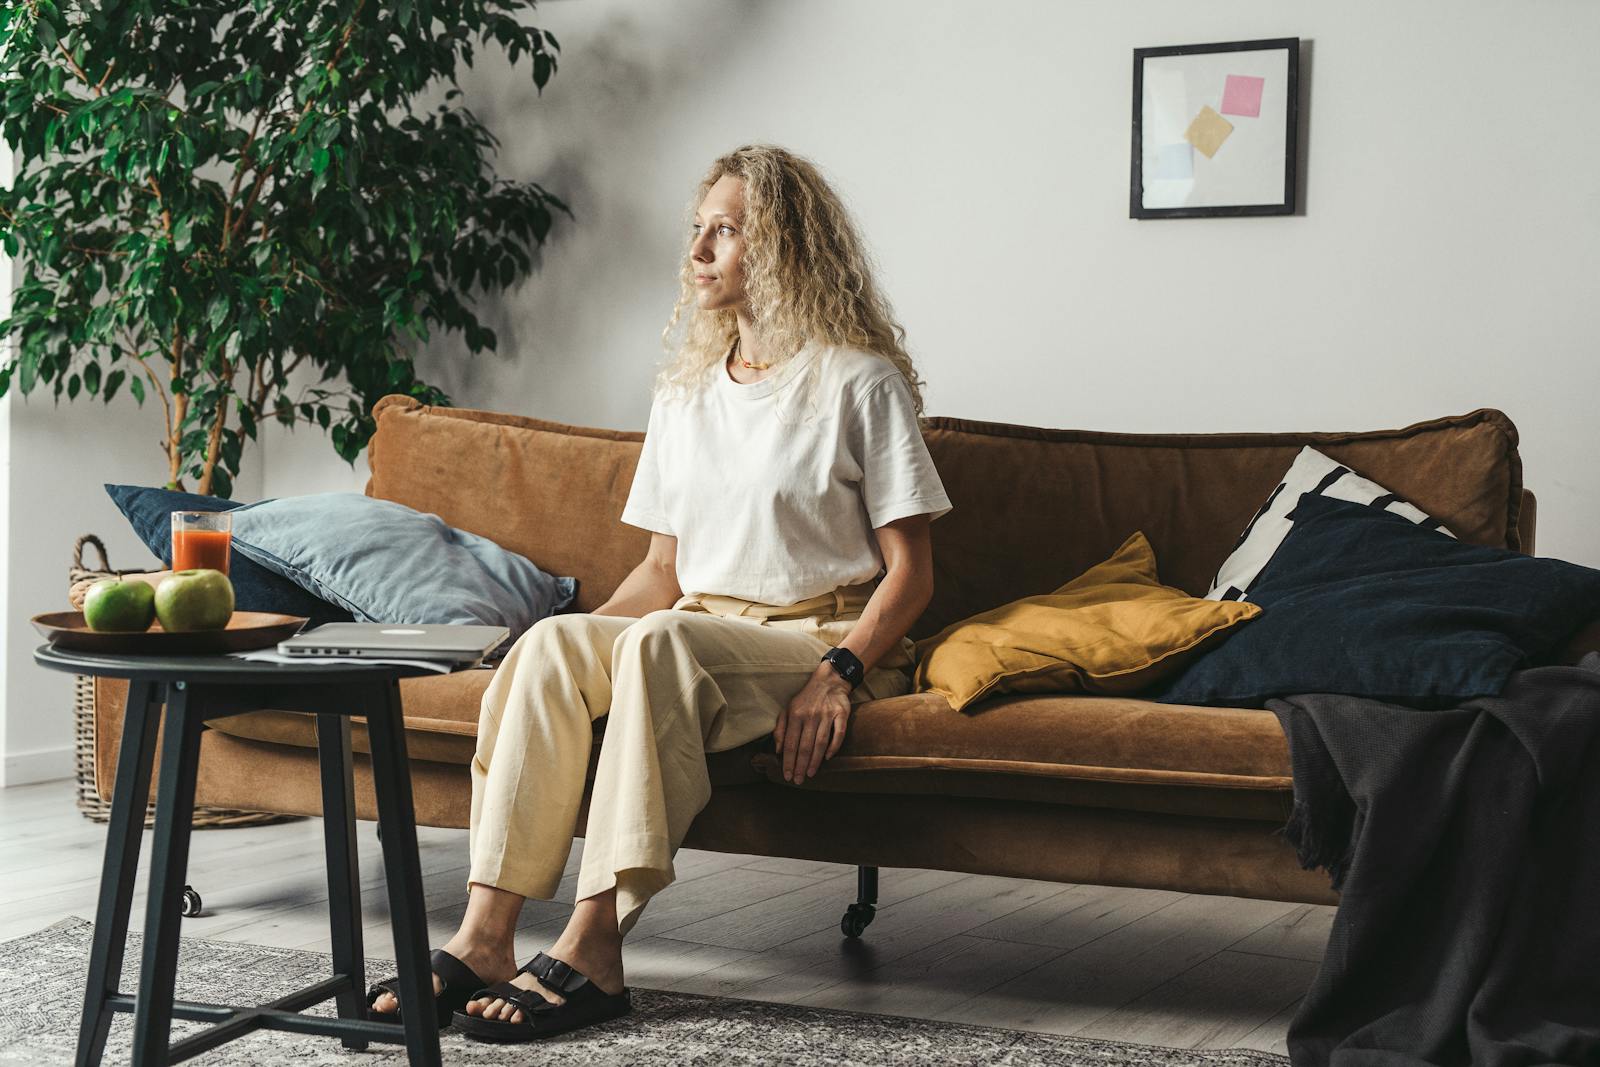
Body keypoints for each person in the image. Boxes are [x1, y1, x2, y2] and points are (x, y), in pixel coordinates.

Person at [368, 143, 952, 1042]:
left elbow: (911, 573)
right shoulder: (686, 393)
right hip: (697, 627)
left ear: (789, 245)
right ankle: (485, 937)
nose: (700, 250)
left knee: (657, 644)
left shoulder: (855, 381)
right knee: (555, 643)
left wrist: (838, 670)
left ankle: (595, 947)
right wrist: (552, 652)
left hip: (814, 634)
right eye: (698, 229)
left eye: (727, 230)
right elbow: (662, 575)